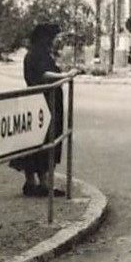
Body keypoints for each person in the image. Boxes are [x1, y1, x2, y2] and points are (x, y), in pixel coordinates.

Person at [9, 23, 80, 197]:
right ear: (44, 38)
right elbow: (44, 74)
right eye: (51, 38)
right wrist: (65, 75)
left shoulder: (37, 53)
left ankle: (35, 182)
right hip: (43, 101)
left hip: (41, 100)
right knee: (44, 140)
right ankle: (40, 184)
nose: (53, 41)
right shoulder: (36, 54)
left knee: (36, 141)